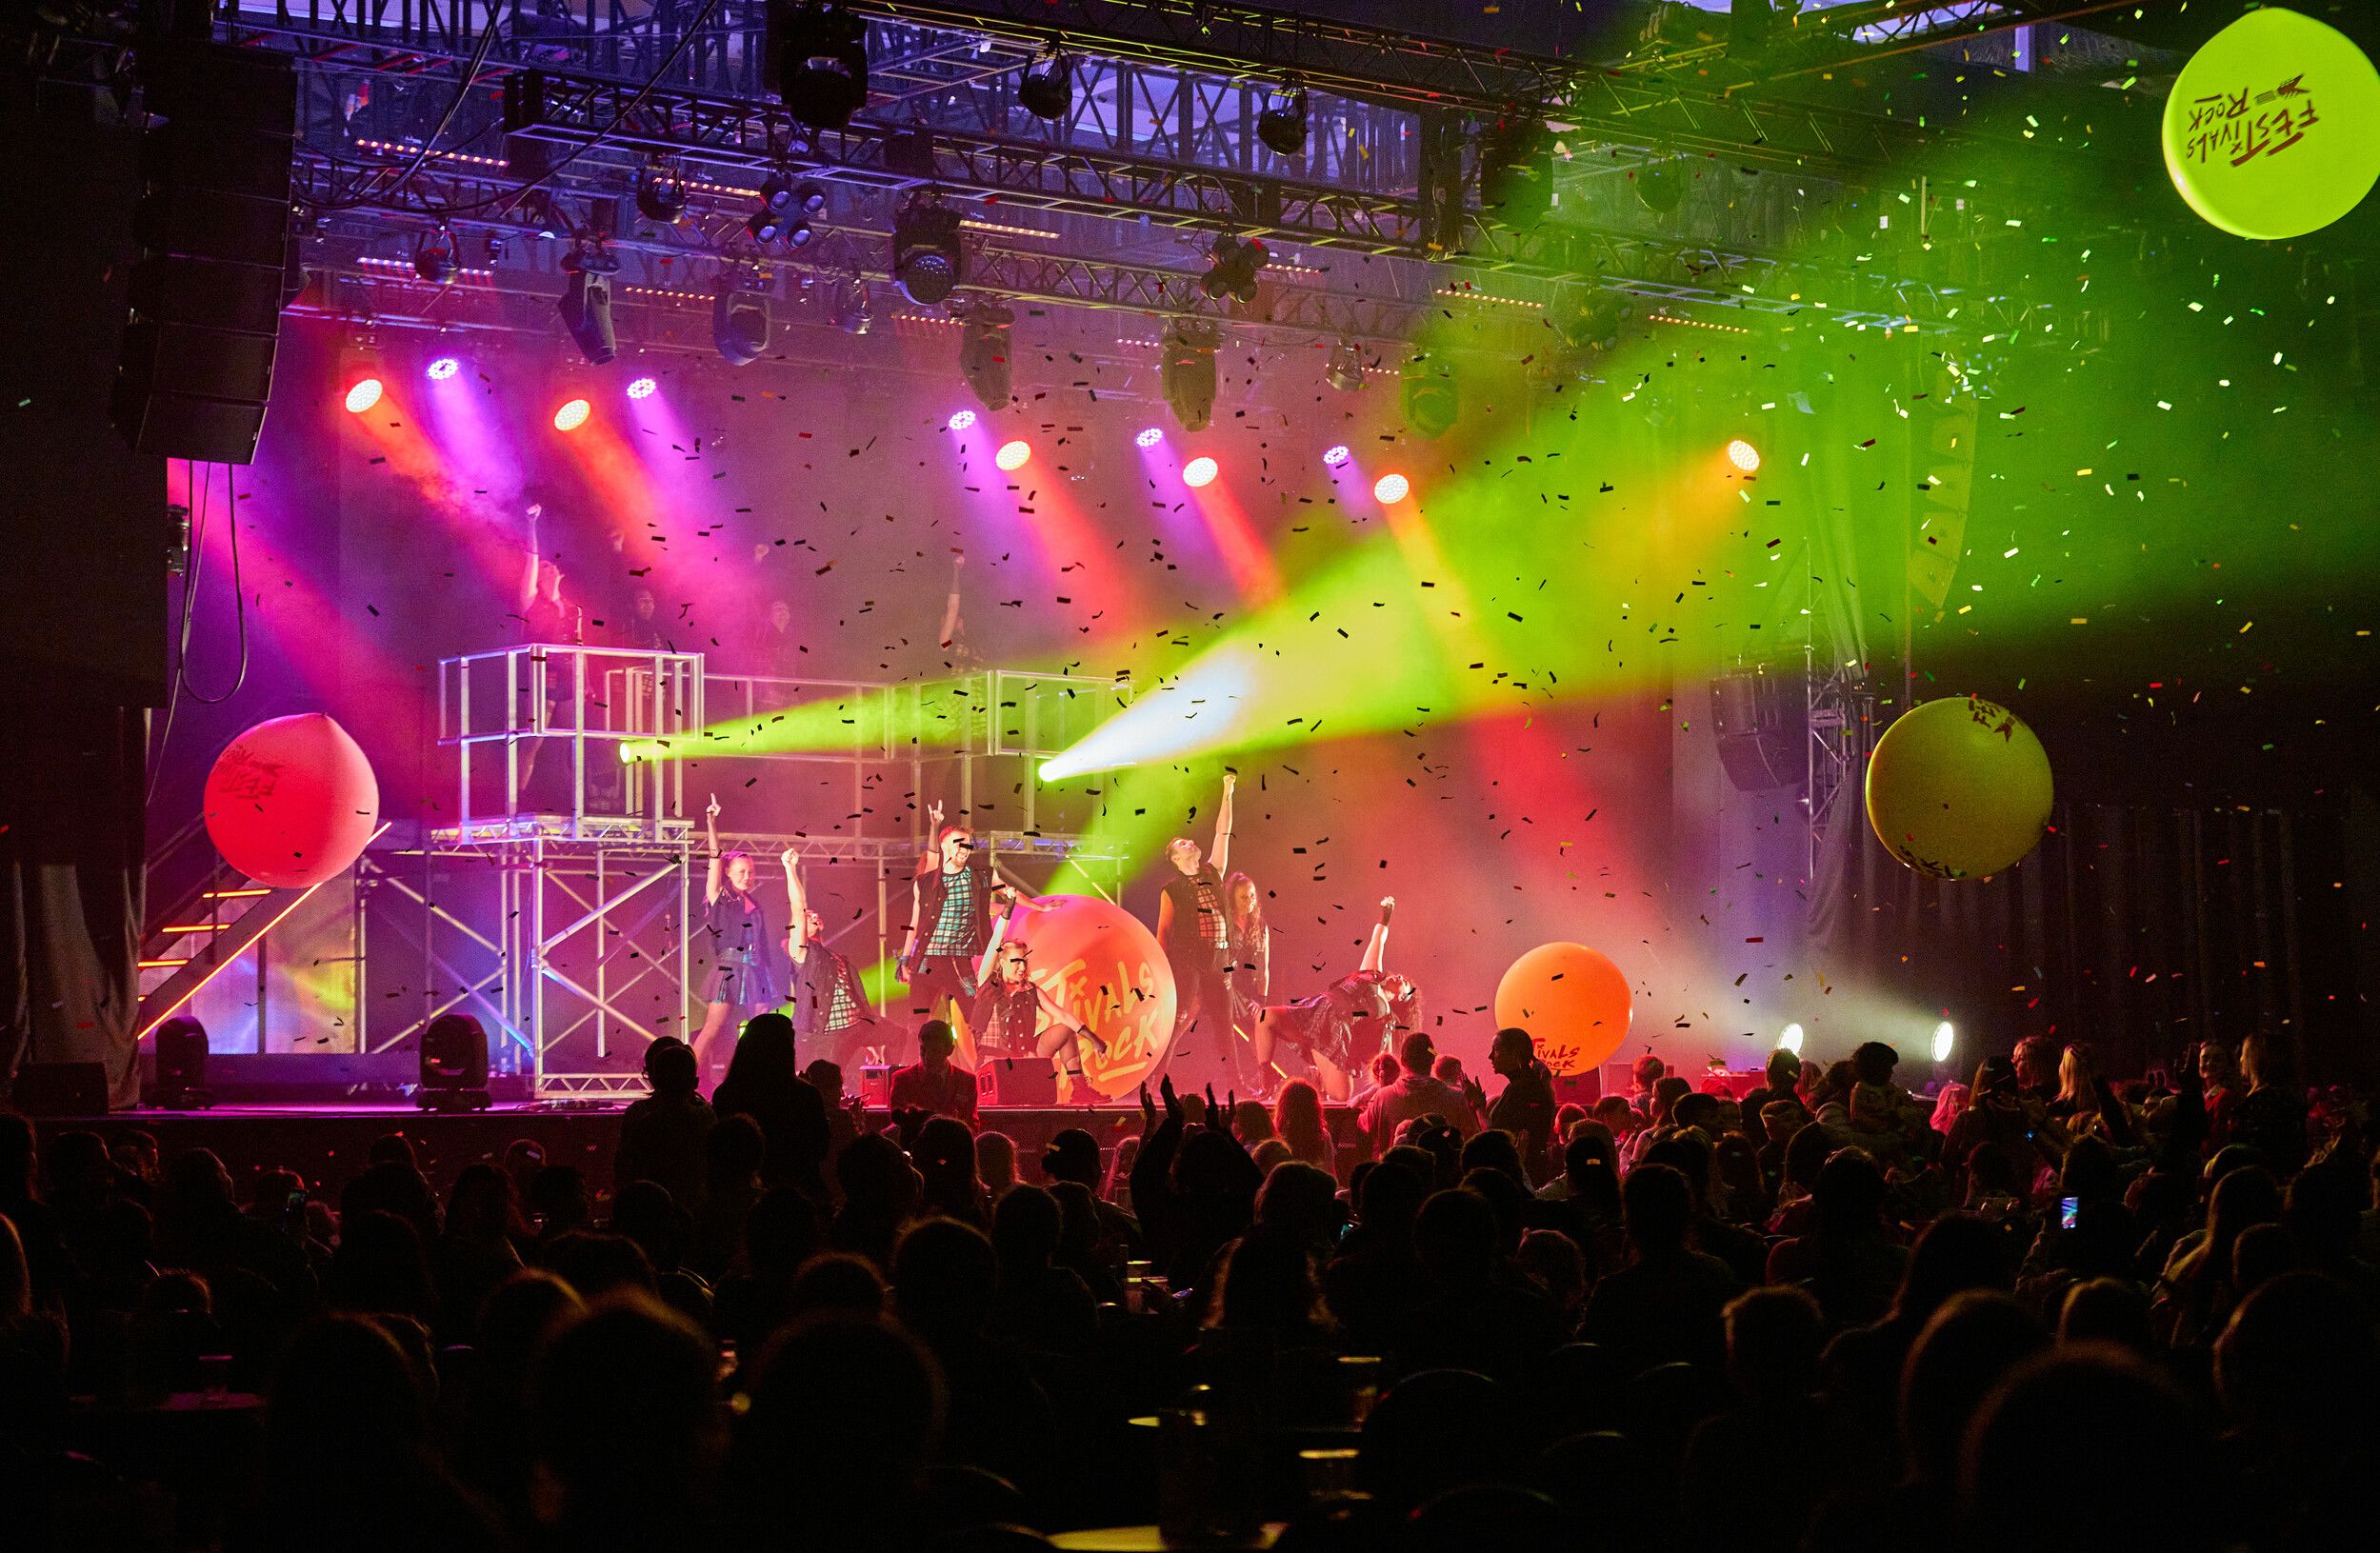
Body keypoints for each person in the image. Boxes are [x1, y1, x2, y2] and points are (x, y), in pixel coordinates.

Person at [1251, 896, 1422, 1103]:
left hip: (1334, 1036)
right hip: (1314, 1013)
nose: (1401, 977)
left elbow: (1383, 1062)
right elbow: (1378, 939)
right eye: (1403, 977)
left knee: (1341, 1096)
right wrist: (1387, 913)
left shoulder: (1386, 1017)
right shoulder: (1370, 973)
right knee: (1265, 1018)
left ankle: (1318, 1076)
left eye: (1406, 984)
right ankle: (1267, 1076)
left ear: (1402, 998)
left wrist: (1374, 1092)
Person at [691, 797, 790, 1085]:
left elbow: (762, 942)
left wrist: (770, 969)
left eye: (751, 872)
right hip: (730, 968)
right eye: (741, 872)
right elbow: (714, 857)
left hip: (757, 969)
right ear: (729, 874)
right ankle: (683, 1079)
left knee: (760, 1029)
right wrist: (711, 823)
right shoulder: (720, 898)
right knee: (711, 1029)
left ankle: (751, 1080)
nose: (748, 877)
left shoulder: (754, 902)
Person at [1155, 770, 1244, 1086]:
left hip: (1220, 962)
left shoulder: (1213, 872)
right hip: (1190, 962)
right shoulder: (1171, 890)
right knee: (1179, 1019)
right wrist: (1163, 970)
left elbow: (1223, 833)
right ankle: (1156, 1080)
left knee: (1225, 1024)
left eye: (1189, 840)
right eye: (1182, 843)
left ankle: (1237, 1084)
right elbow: (1163, 932)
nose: (1190, 841)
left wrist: (1227, 791)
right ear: (1176, 857)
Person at [896, 800, 1003, 1030]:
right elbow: (913, 925)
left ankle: (968, 1057)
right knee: (923, 1019)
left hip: (955, 958)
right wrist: (905, 959)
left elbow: (980, 909)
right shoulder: (927, 881)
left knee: (968, 1013)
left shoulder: (960, 881)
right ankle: (921, 1059)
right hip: (928, 958)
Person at [968, 913, 1107, 1083]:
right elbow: (996, 938)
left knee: (1065, 1030)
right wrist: (1009, 907)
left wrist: (1094, 1039)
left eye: (1025, 961)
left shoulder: (1031, 991)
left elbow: (1063, 1015)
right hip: (993, 1064)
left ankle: (1080, 1089)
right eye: (1017, 961)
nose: (1023, 967)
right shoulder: (987, 984)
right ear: (1003, 962)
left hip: (1022, 1059)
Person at [780, 846, 876, 1070]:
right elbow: (798, 908)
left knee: (898, 1035)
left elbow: (855, 997)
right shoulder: (802, 952)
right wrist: (790, 868)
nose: (812, 916)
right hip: (823, 1032)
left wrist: (867, 1037)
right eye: (808, 916)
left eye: (815, 914)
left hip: (851, 1028)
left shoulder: (837, 957)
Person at [614, 1038, 716, 1214]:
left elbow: (624, 1170)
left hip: (649, 1210)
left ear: (654, 1077)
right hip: (698, 1209)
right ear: (694, 1081)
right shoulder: (707, 1116)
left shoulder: (641, 1117)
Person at [1357, 1028, 1477, 1160]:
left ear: (1402, 1061)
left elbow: (1363, 1124)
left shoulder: (1382, 1097)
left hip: (1394, 1176)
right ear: (1432, 1060)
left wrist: (1377, 1096)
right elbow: (1472, 1139)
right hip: (1440, 1178)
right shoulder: (1457, 1098)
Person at [1479, 1027, 1556, 1184]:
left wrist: (1477, 1106)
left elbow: (1495, 1136)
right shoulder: (1525, 1085)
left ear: (1514, 1053)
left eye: (1496, 1050)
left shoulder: (1522, 1089)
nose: (1490, 1056)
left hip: (1518, 1175)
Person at [888, 1020, 979, 1125]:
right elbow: (898, 1125)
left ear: (950, 1050)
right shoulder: (903, 1080)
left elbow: (972, 1125)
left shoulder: (967, 1081)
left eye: (935, 1051)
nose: (927, 1057)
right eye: (923, 1050)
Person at [1224, 867, 1270, 1051]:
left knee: (1258, 1031)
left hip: (1251, 992)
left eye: (1252, 896)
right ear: (1232, 898)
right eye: (1243, 897)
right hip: (1228, 988)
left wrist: (1261, 1002)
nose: (1249, 901)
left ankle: (1259, 1073)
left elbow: (1264, 969)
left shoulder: (1260, 927)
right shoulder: (1225, 925)